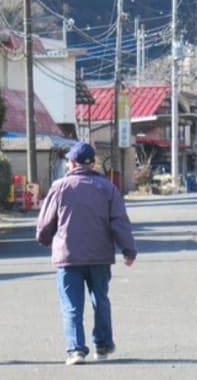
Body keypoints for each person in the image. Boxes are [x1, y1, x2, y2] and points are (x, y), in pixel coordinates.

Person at [36, 142, 137, 365]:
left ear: (71, 163)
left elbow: (45, 222)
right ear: (92, 163)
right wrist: (128, 249)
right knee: (100, 300)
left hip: (67, 256)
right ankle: (102, 346)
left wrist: (44, 239)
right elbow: (119, 222)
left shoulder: (60, 187)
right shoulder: (107, 188)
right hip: (100, 256)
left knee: (71, 304)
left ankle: (76, 350)